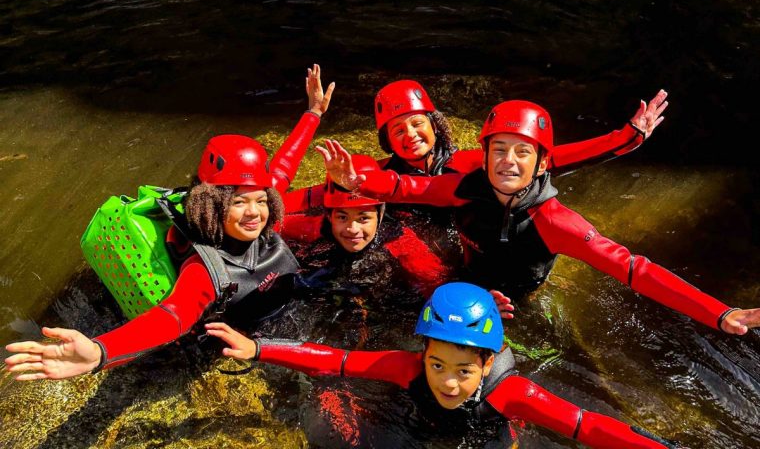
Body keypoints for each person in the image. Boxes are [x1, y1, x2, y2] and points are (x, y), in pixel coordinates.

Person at [3, 65, 336, 380]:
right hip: (256, 338)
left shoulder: (259, 212)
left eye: (261, 200)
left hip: (286, 301)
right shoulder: (206, 270)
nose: (254, 212)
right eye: (239, 202)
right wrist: (100, 352)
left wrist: (313, 113)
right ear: (214, 203)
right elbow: (171, 317)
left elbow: (282, 169)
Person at [317, 100, 760, 336]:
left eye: (522, 152)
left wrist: (718, 313)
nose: (508, 162)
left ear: (542, 164)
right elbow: (405, 187)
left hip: (518, 302)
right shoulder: (461, 186)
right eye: (499, 150)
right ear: (483, 155)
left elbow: (632, 269)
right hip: (466, 278)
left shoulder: (554, 221)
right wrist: (357, 182)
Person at [204, 282, 685, 448]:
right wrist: (260, 349)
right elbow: (338, 360)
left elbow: (589, 426)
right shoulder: (406, 367)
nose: (448, 382)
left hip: (491, 433)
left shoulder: (510, 393)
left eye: (463, 369)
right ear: (424, 353)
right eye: (437, 365)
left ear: (487, 361)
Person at [288, 79, 668, 211]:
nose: (410, 136)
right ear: (386, 139)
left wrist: (626, 137)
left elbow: (553, 160)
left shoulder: (468, 164)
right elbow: (312, 198)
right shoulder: (375, 173)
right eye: (397, 130)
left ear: (435, 125)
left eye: (417, 124)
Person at [281, 154, 452, 298]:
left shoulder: (400, 240)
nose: (353, 229)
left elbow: (438, 286)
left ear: (380, 216)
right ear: (328, 216)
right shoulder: (314, 228)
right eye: (342, 217)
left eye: (363, 218)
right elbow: (266, 221)